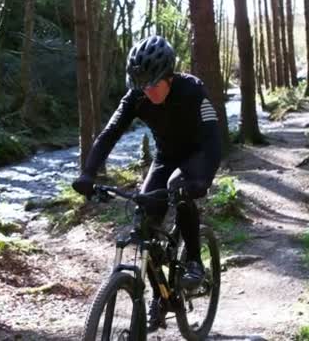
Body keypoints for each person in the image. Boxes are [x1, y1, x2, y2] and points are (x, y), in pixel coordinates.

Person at [72, 35, 221, 332]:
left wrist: (203, 178)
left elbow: (213, 140)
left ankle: (193, 260)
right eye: (143, 86)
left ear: (168, 76)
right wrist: (88, 174)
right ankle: (160, 295)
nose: (148, 92)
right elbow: (110, 133)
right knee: (145, 217)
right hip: (166, 156)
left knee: (181, 190)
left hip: (197, 154)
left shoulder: (192, 90)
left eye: (154, 85)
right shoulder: (136, 96)